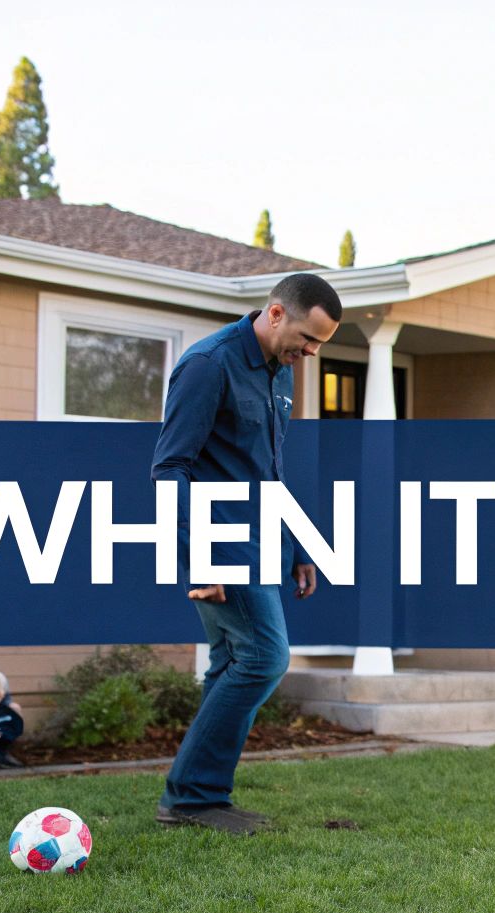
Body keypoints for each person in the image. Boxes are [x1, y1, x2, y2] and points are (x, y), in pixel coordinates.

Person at [150, 273, 339, 835]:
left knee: (232, 663)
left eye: (320, 345)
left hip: (263, 542)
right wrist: (202, 558)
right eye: (308, 338)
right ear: (276, 313)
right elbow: (170, 468)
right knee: (265, 657)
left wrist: (299, 543)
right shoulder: (210, 364)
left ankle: (199, 798)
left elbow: (270, 471)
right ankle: (190, 796)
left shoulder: (278, 373)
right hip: (223, 544)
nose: (310, 353)